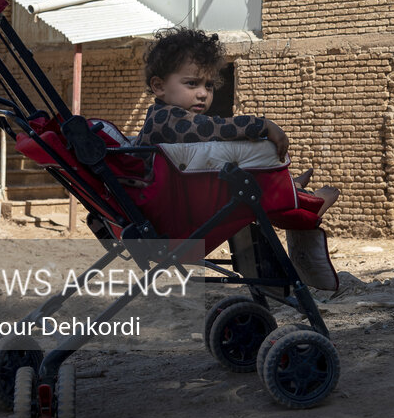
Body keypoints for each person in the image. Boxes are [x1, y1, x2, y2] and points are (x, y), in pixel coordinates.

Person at [134, 27, 339, 289]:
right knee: (239, 182)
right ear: (159, 86)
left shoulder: (167, 120)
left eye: (208, 85)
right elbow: (213, 129)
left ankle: (290, 188)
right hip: (173, 218)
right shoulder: (168, 120)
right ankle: (302, 199)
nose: (203, 93)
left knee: (228, 170)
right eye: (192, 83)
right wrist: (261, 125)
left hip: (172, 207)